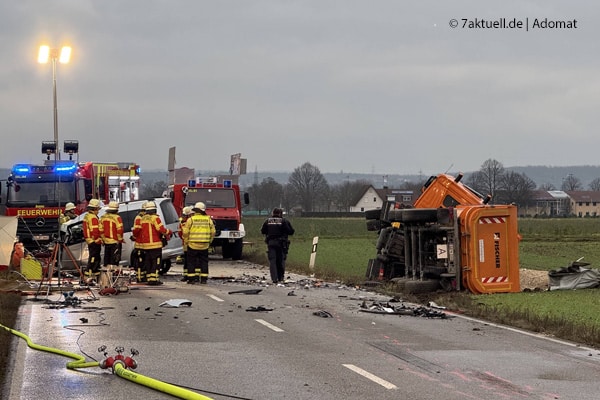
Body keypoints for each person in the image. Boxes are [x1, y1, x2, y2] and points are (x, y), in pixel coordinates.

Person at [132, 200, 172, 285]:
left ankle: (149, 278)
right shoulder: (155, 218)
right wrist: (169, 232)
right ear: (154, 210)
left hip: (145, 246)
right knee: (156, 262)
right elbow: (160, 229)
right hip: (155, 245)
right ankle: (153, 280)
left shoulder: (142, 219)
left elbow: (137, 231)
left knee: (148, 262)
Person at [182, 202, 215, 284]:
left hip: (192, 245)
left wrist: (186, 241)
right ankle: (203, 279)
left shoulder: (191, 219)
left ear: (195, 210)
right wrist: (209, 241)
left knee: (191, 262)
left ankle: (191, 279)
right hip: (204, 245)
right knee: (204, 261)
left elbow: (185, 232)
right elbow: (213, 232)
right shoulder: (208, 219)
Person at [261, 208, 295, 284]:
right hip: (281, 243)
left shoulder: (268, 221)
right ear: (280, 213)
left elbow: (263, 231)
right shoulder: (284, 221)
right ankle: (280, 277)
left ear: (273, 213)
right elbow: (291, 231)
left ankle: (274, 278)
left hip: (271, 243)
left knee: (272, 261)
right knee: (281, 260)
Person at [82, 198, 103, 284]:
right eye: (97, 209)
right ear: (94, 209)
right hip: (93, 241)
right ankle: (89, 275)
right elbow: (94, 231)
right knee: (94, 258)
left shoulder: (87, 216)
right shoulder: (93, 217)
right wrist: (98, 240)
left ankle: (94, 275)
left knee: (94, 257)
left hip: (90, 240)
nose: (98, 211)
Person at [100, 201, 124, 269]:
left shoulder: (103, 217)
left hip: (107, 243)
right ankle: (113, 277)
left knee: (107, 261)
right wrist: (119, 240)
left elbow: (101, 230)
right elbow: (120, 230)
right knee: (114, 262)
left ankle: (106, 277)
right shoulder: (117, 217)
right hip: (115, 242)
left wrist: (104, 239)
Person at [130, 201, 148, 282]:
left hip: (144, 244)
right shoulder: (139, 218)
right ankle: (140, 278)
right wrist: (135, 236)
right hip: (140, 244)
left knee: (144, 262)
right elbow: (136, 230)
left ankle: (143, 277)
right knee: (140, 262)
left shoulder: (144, 218)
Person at [178, 206, 194, 282]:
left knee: (188, 261)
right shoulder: (190, 221)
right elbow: (180, 233)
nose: (183, 217)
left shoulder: (184, 222)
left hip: (188, 243)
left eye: (184, 215)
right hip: (189, 244)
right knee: (189, 261)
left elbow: (180, 233)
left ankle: (188, 276)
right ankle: (187, 275)